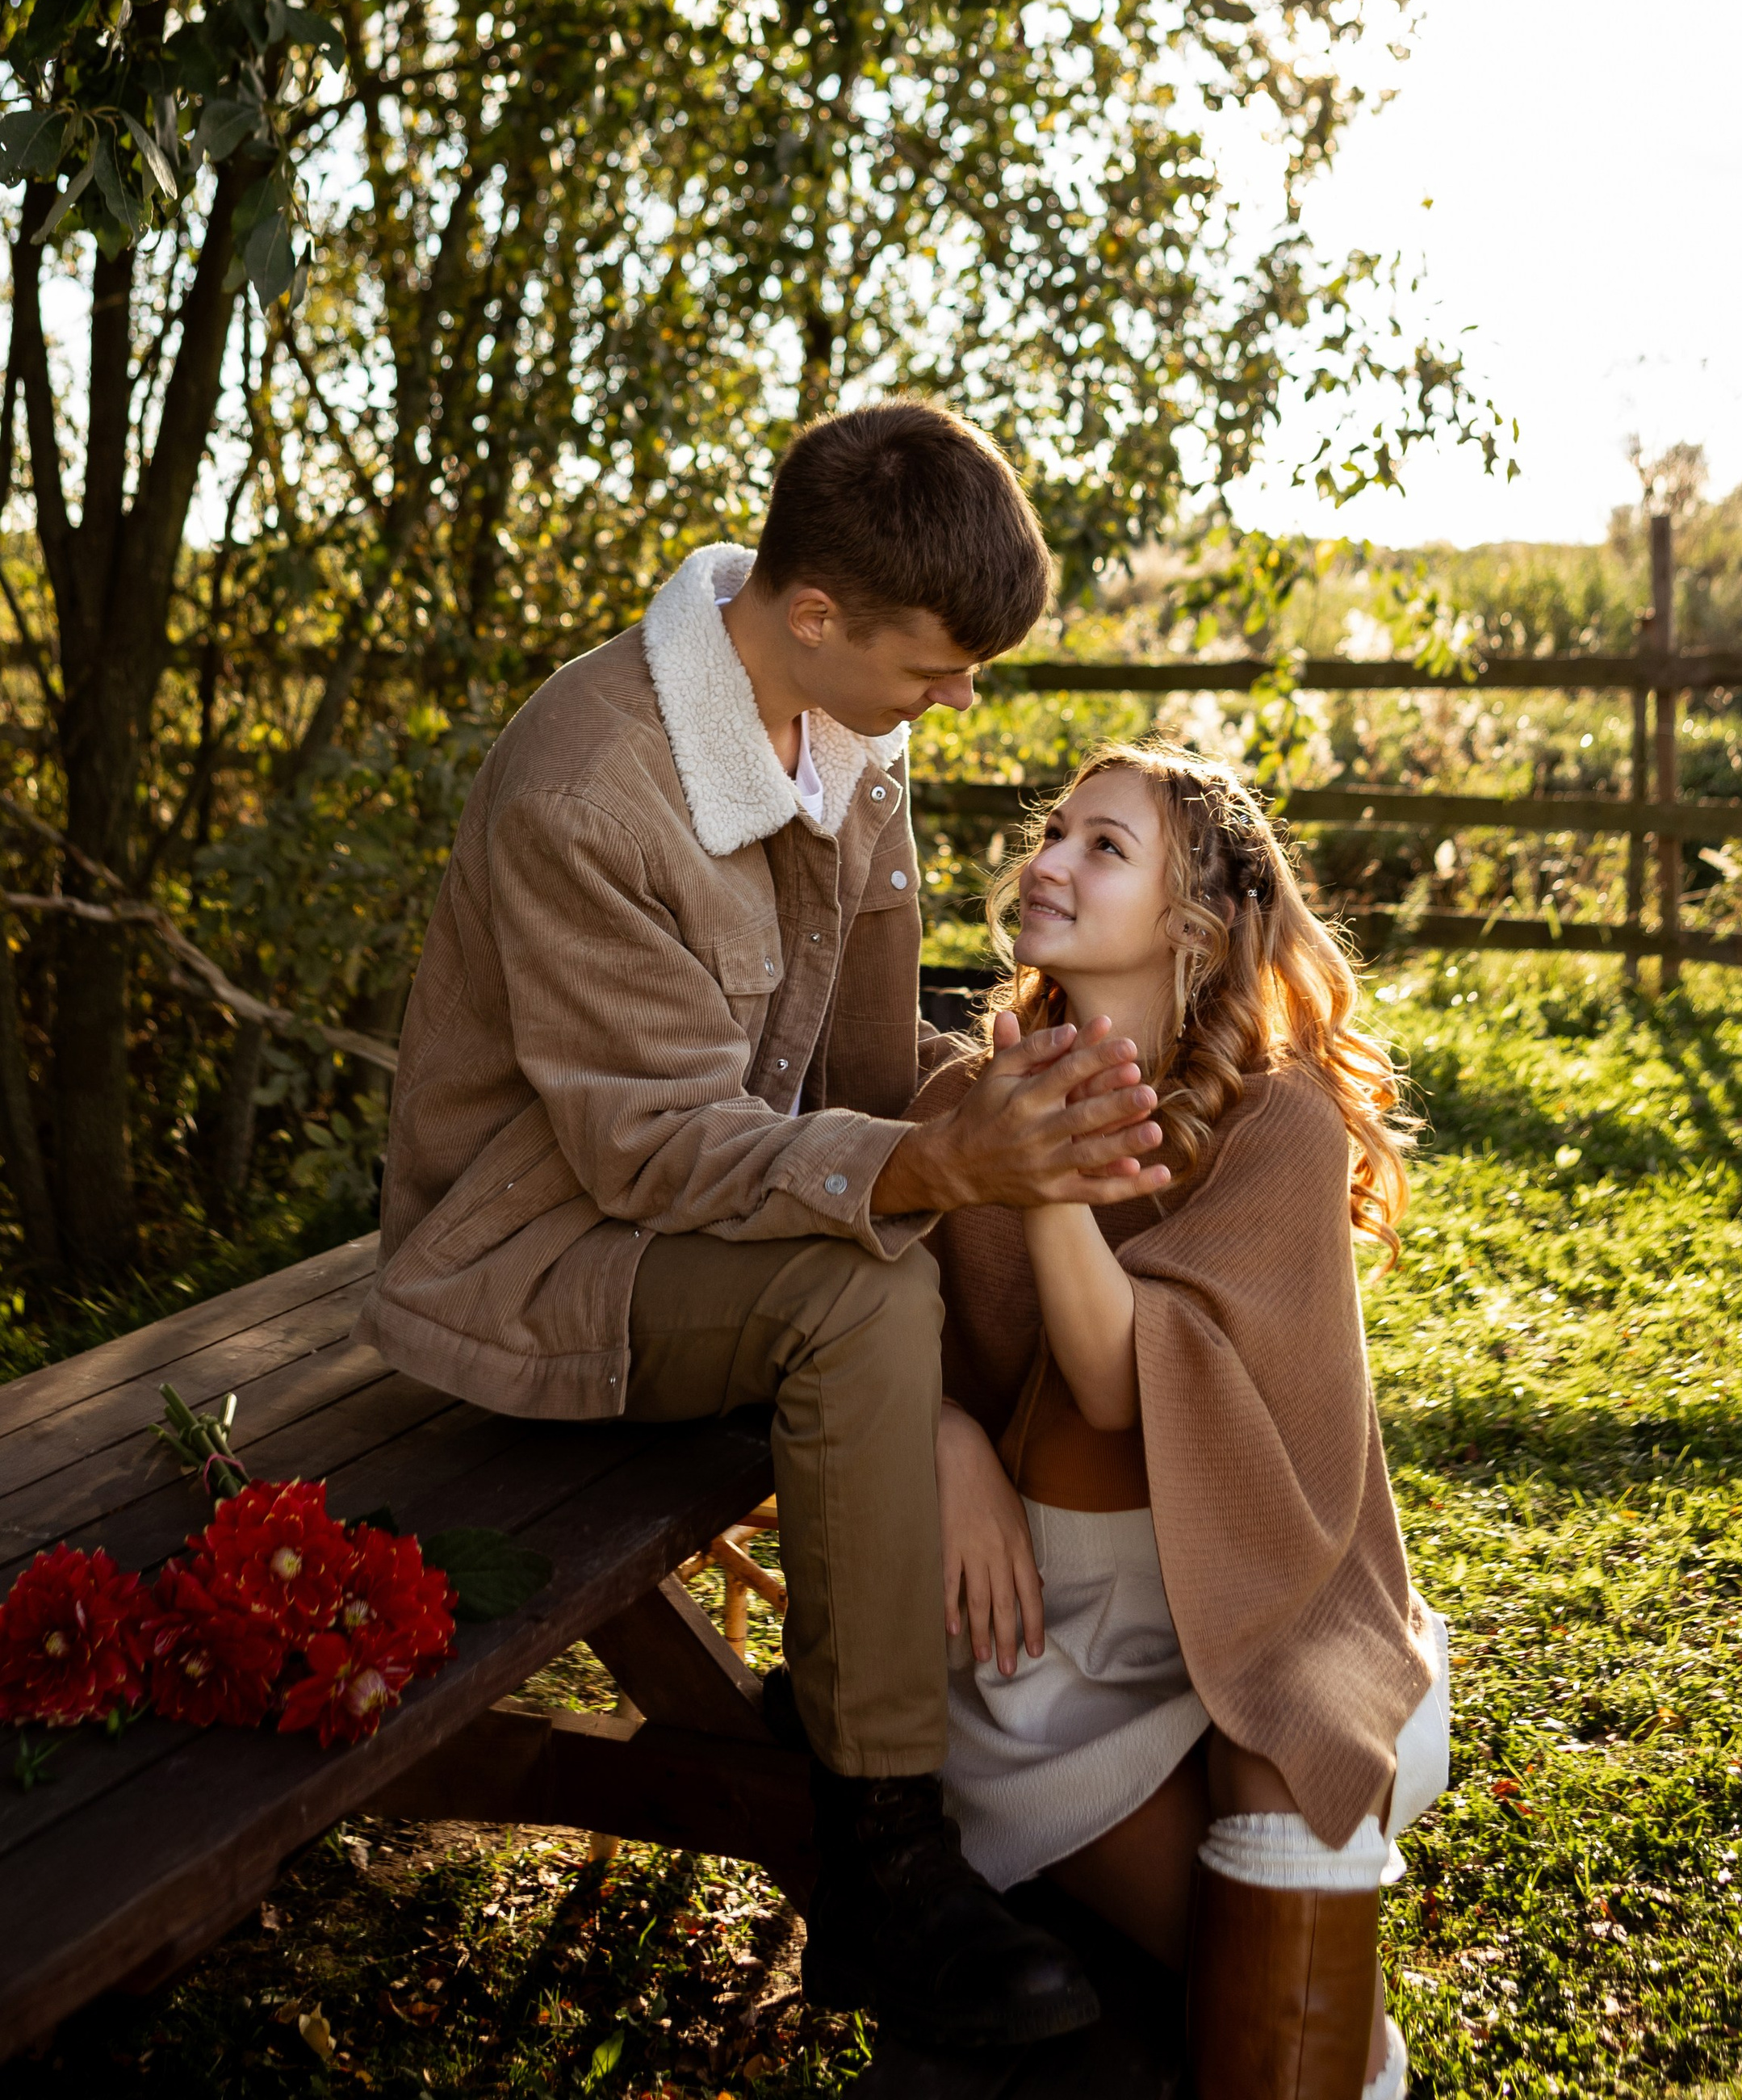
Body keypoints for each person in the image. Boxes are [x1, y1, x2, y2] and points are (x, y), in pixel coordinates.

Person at [359, 403, 1166, 2053]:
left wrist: (1001, 1126)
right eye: (938, 667)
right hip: (539, 1256)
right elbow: (654, 1152)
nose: (959, 703)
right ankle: (879, 1857)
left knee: (1028, 1206)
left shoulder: (847, 727)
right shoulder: (588, 790)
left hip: (738, 1210)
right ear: (813, 615)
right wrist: (931, 1253)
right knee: (860, 1308)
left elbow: (865, 1068)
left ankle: (1074, 1713)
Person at [921, 744, 1448, 2100]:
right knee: (1265, 1998)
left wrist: (1037, 1175)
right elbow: (856, 1308)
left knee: (1289, 1946)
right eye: (1052, 832)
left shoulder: (1281, 1129)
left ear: (1196, 919)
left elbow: (1123, 1386)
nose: (1047, 862)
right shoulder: (959, 1104)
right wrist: (948, 1436)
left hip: (1267, 1610)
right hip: (1040, 1661)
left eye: (1105, 847)